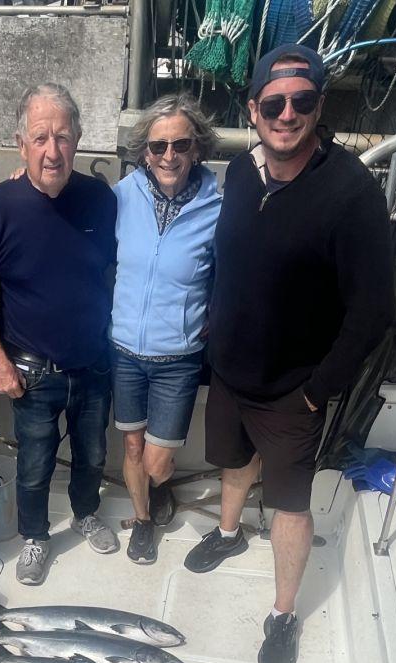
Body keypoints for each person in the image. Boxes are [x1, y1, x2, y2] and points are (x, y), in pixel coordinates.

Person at [184, 44, 394, 663]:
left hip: (294, 388)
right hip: (230, 368)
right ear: (253, 109)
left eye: (301, 100)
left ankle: (281, 614)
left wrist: (318, 389)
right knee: (233, 463)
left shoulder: (350, 192)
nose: (287, 113)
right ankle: (226, 534)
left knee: (291, 504)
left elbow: (373, 310)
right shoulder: (244, 171)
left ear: (318, 106)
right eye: (273, 102)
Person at [0, 83, 119, 585]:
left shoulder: (100, 199)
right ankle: (36, 536)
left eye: (62, 137)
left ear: (78, 140)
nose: (52, 150)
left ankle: (84, 513)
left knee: (94, 453)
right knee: (34, 465)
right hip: (30, 372)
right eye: (40, 138)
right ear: (22, 145)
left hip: (94, 364)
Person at [112, 94, 221, 564]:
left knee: (157, 463)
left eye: (180, 144)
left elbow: (236, 270)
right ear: (144, 152)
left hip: (178, 356)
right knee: (132, 445)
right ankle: (141, 522)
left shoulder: (218, 205)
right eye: (158, 147)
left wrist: (216, 316)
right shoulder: (122, 196)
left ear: (196, 147)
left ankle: (160, 490)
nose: (169, 155)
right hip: (123, 351)